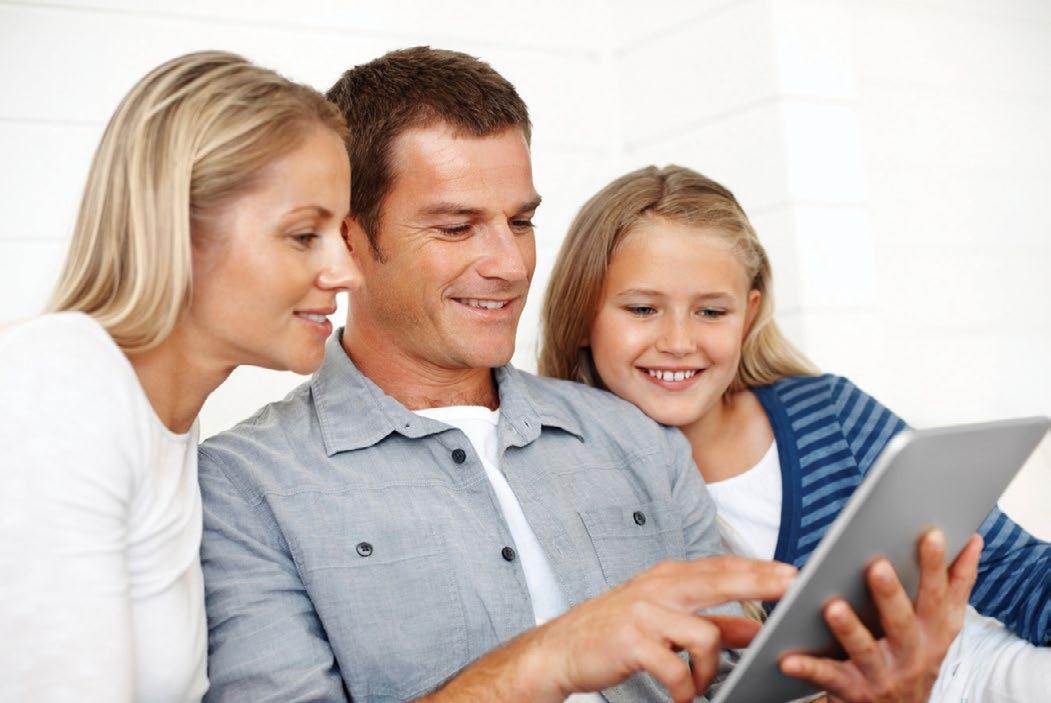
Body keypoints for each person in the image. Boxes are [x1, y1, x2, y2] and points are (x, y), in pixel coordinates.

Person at [198, 47, 978, 703]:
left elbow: (735, 687)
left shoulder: (636, 437)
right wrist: (550, 656)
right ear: (348, 238)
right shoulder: (246, 485)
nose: (509, 264)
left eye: (520, 221)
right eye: (457, 226)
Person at [538, 164, 1050, 700]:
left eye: (711, 311)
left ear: (748, 313)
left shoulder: (826, 413)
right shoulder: (570, 479)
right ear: (583, 314)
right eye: (643, 309)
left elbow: (1015, 568)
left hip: (970, 668)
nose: (678, 342)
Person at [0, 51, 360, 702]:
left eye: (342, 233)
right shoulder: (59, 384)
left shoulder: (167, 430)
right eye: (305, 234)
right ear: (178, 229)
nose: (346, 272)